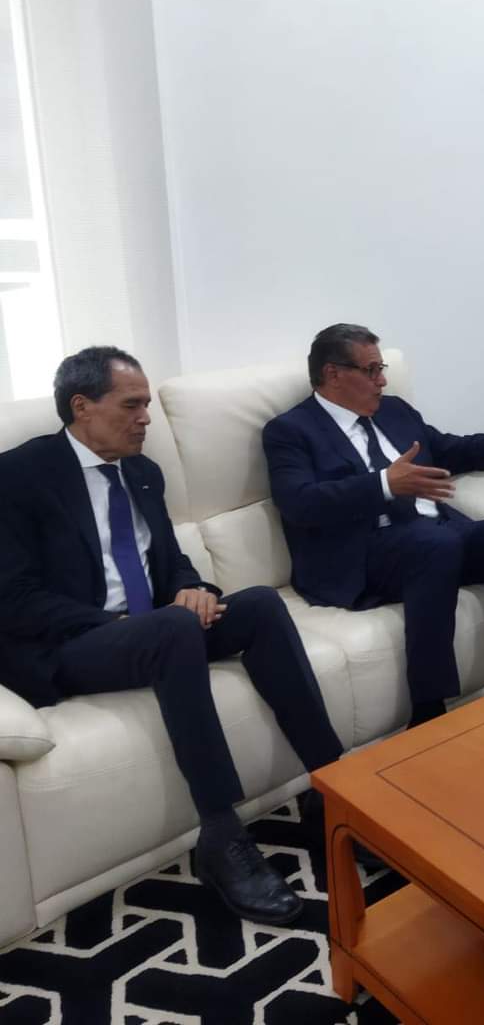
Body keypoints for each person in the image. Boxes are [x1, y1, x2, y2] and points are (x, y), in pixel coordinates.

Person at [0, 346, 348, 925]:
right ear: (81, 406)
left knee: (259, 605)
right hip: (71, 642)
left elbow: (170, 565)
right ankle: (221, 835)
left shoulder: (141, 472)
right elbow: (14, 598)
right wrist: (118, 624)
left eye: (148, 406)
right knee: (173, 627)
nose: (146, 419)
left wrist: (194, 589)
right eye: (131, 405)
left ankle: (332, 787)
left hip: (156, 629)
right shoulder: (17, 476)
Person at [262, 324, 484, 726]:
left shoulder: (394, 410)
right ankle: (429, 710)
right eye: (371, 370)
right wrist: (383, 484)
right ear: (333, 374)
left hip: (435, 538)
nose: (382, 380)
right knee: (433, 544)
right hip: (364, 554)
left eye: (382, 369)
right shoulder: (290, 431)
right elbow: (299, 503)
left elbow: (447, 450)